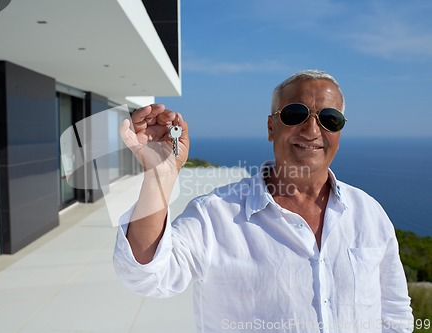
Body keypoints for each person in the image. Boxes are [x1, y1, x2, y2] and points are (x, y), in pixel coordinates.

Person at [113, 70, 414, 332]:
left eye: (329, 119)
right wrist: (158, 176)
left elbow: (395, 316)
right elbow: (145, 274)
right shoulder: (215, 216)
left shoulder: (369, 213)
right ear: (271, 127)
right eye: (295, 115)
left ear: (339, 131)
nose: (312, 130)